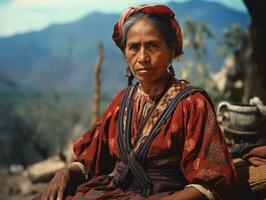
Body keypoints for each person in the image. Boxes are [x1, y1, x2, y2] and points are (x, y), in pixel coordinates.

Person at [37, 4, 237, 200]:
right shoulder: (121, 102)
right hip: (115, 191)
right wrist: (66, 173)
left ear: (172, 51)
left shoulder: (192, 104)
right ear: (125, 54)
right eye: (134, 47)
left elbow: (210, 181)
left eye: (153, 45)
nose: (142, 57)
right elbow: (92, 158)